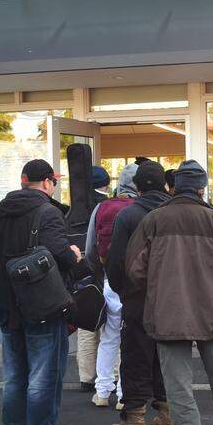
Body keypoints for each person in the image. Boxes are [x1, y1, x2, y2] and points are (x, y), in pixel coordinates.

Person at [125, 160, 213, 425]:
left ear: (173, 187)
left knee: (178, 386)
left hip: (169, 314)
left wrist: (158, 286)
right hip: (212, 312)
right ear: (202, 188)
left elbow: (134, 269)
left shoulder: (154, 220)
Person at [0, 159, 82, 425]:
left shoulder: (1, 211)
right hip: (39, 303)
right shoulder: (48, 212)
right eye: (54, 181)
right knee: (44, 373)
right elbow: (58, 254)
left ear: (23, 180)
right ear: (47, 183)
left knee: (14, 373)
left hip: (5, 301)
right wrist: (73, 254)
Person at [107, 162, 172, 425]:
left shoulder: (129, 215)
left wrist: (123, 291)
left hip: (137, 297)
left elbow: (116, 260)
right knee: (168, 355)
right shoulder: (174, 213)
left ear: (137, 185)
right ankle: (168, 414)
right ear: (165, 184)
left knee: (135, 355)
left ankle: (134, 418)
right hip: (172, 297)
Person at [83, 163, 140, 407]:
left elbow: (89, 250)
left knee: (109, 338)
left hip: (110, 280)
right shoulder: (142, 209)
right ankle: (124, 395)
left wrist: (100, 273)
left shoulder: (102, 207)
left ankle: (103, 392)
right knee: (132, 341)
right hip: (137, 284)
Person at [76, 165, 115, 394]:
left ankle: (86, 377)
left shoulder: (74, 208)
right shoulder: (108, 207)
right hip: (105, 272)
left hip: (82, 274)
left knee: (87, 326)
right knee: (111, 327)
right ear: (106, 183)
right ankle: (112, 375)